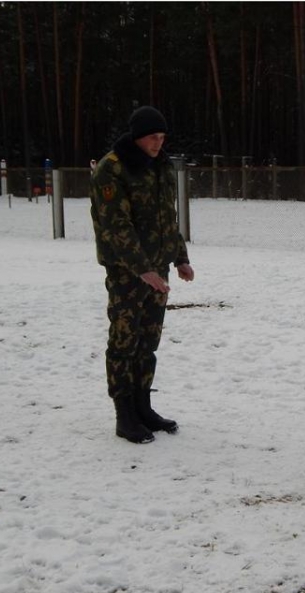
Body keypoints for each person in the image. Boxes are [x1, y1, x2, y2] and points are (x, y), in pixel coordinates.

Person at [89, 106, 194, 444]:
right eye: (153, 137)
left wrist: (180, 258)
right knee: (124, 341)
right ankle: (125, 414)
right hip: (126, 272)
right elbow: (115, 226)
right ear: (137, 137)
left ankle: (143, 406)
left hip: (156, 268)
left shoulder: (160, 166)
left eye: (162, 138)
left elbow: (168, 218)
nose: (158, 144)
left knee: (148, 342)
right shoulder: (112, 169)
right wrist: (142, 269)